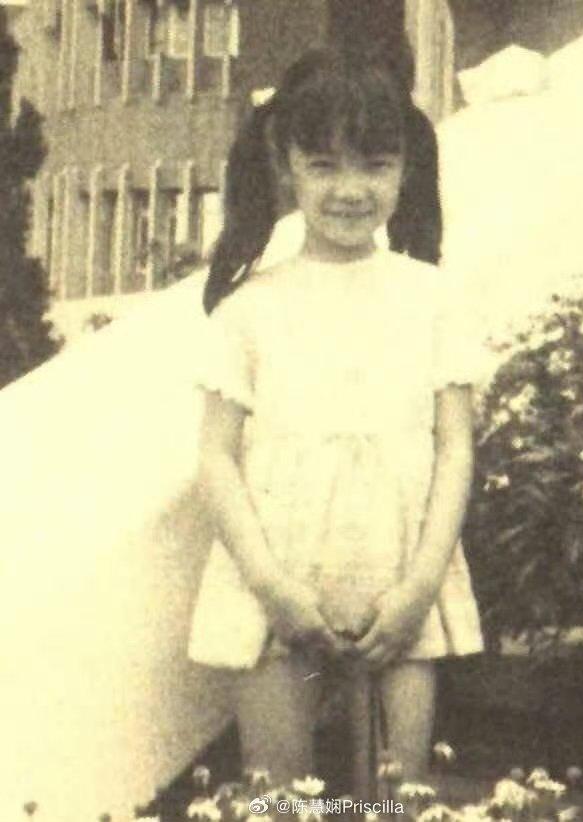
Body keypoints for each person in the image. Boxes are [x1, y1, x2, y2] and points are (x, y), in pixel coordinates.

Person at [188, 45, 487, 794]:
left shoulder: (431, 298)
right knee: (280, 803)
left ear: (406, 168)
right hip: (278, 593)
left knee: (394, 801)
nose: (350, 190)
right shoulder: (251, 307)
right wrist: (272, 588)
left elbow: (455, 447)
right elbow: (216, 457)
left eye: (375, 165)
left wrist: (420, 586)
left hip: (399, 588)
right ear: (287, 166)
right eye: (324, 166)